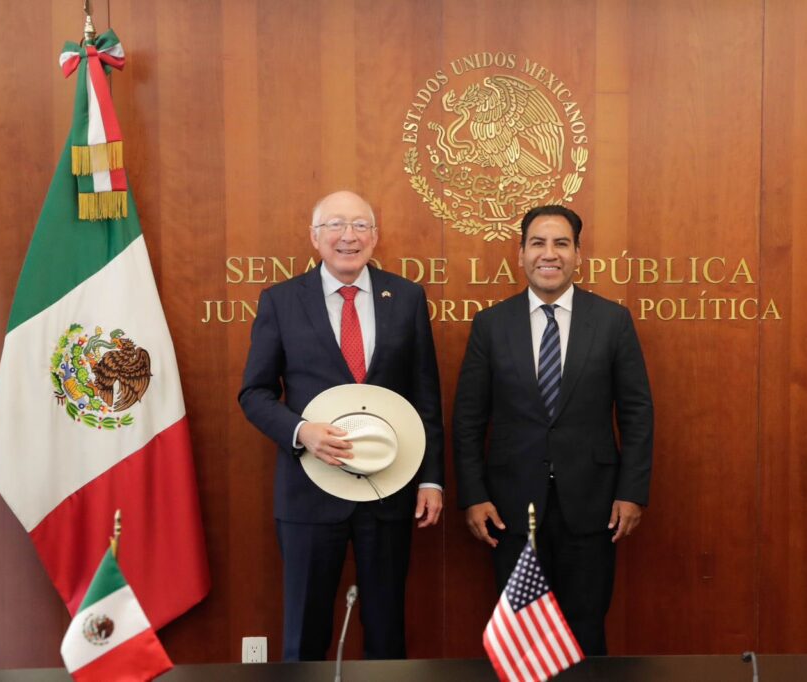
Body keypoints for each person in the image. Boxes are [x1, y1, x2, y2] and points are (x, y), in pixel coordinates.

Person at [238, 190, 444, 661]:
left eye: (359, 226)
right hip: (309, 494)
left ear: (375, 236)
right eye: (334, 225)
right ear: (314, 237)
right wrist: (300, 432)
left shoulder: (407, 298)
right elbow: (255, 393)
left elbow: (425, 398)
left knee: (387, 629)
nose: (347, 236)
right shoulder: (282, 301)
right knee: (305, 633)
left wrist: (432, 479)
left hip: (389, 492)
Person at [453, 204, 653, 656]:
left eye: (561, 243)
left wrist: (632, 492)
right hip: (510, 510)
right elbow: (468, 419)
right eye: (538, 243)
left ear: (578, 254)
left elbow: (638, 413)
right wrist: (473, 495)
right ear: (521, 253)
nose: (550, 254)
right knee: (522, 641)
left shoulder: (611, 321)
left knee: (586, 632)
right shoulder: (490, 325)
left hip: (594, 507)